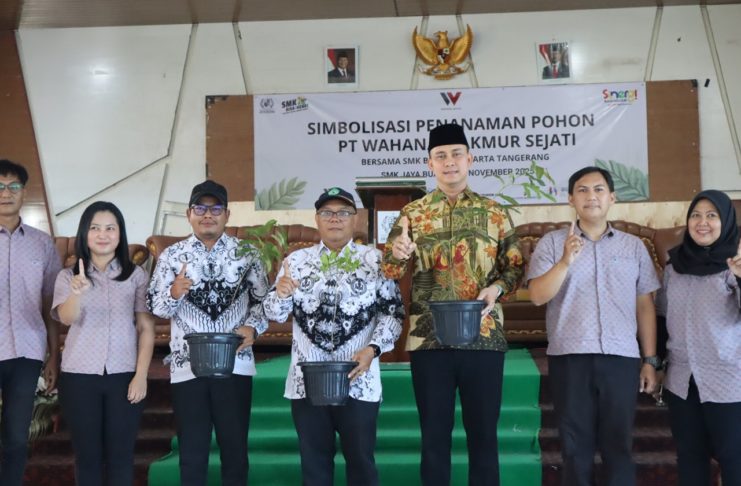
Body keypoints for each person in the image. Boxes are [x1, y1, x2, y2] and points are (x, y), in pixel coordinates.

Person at [382, 123, 523, 486]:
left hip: (484, 337)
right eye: (440, 156)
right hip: (429, 341)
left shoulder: (494, 212)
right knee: (433, 437)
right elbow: (390, 270)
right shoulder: (412, 213)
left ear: (469, 159)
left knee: (484, 437)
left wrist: (496, 288)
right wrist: (397, 253)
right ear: (430, 164)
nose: (449, 162)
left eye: (456, 154)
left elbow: (515, 266)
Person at [526, 166, 660, 486]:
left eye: (599, 189)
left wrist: (650, 360)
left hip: (621, 357)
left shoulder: (633, 247)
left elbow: (645, 305)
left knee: (619, 447)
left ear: (612, 197)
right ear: (571, 199)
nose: (591, 196)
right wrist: (565, 262)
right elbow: (537, 296)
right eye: (582, 190)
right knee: (575, 449)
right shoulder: (552, 243)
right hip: (570, 357)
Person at [264, 186, 403, 486]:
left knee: (361, 463)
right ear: (316, 219)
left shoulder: (375, 261)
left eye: (343, 213)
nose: (335, 218)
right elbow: (274, 314)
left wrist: (373, 349)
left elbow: (393, 314)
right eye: (327, 212)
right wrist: (281, 293)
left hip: (358, 380)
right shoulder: (296, 261)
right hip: (307, 383)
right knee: (314, 466)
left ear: (356, 219)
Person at [147, 180, 269, 486]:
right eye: (200, 208)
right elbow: (155, 307)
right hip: (187, 368)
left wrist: (254, 327)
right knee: (192, 452)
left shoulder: (248, 253)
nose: (207, 215)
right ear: (189, 214)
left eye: (215, 209)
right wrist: (174, 293)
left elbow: (264, 302)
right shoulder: (172, 256)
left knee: (235, 450)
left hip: (235, 364)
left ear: (227, 215)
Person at [52, 201, 155, 486]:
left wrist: (141, 375)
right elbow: (66, 318)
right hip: (79, 377)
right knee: (87, 458)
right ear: (84, 233)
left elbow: (146, 328)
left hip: (124, 376)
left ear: (120, 235)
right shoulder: (67, 276)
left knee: (121, 457)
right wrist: (77, 293)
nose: (102, 234)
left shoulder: (136, 276)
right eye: (95, 228)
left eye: (110, 228)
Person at [657, 190, 741, 486]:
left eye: (711, 215)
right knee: (690, 457)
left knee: (734, 458)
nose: (702, 222)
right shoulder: (674, 266)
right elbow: (662, 316)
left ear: (725, 222)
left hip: (728, 379)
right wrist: (655, 363)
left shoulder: (735, 263)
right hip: (682, 380)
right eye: (696, 215)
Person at [0, 159, 62, 485]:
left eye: (13, 186)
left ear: (24, 192)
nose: (6, 193)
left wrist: (54, 355)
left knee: (16, 434)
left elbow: (51, 303)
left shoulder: (42, 243)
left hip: (27, 351)